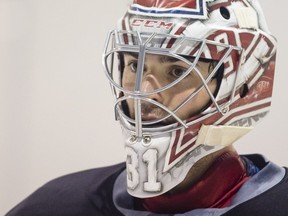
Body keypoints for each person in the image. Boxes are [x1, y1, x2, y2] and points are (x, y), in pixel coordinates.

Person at [6, 0, 288, 215]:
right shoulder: (55, 205)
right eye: (134, 65)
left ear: (243, 84)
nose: (145, 93)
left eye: (177, 71)